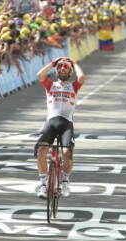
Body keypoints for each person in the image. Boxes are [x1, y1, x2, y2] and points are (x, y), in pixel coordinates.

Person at [35, 57, 85, 199]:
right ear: (56, 71)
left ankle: (65, 181)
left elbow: (81, 77)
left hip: (66, 124)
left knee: (66, 152)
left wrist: (74, 62)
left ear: (70, 72)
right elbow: (40, 75)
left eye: (65, 67)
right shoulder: (51, 85)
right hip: (50, 122)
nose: (62, 68)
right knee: (41, 150)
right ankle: (43, 185)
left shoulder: (73, 86)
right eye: (60, 67)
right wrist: (53, 63)